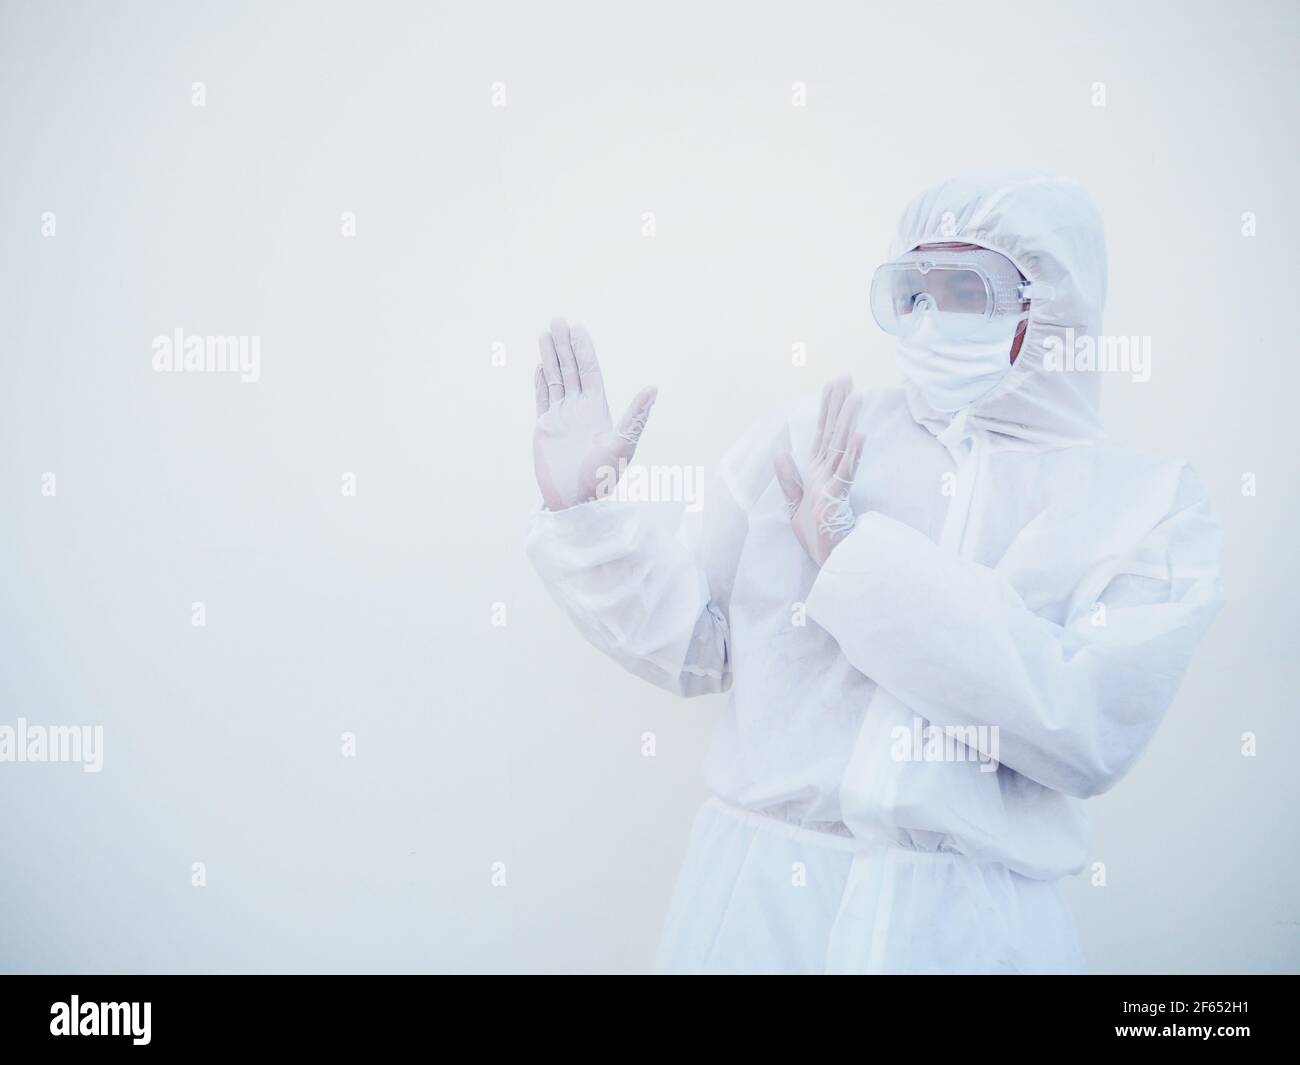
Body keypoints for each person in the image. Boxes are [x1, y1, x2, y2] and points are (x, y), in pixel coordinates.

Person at [526, 172, 1224, 974]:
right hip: (759, 906)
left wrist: (851, 556)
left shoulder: (1144, 506)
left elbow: (1082, 725)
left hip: (975, 930)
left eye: (968, 288)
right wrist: (585, 515)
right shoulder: (813, 435)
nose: (932, 320)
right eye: (913, 291)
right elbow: (692, 640)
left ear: (1053, 304)